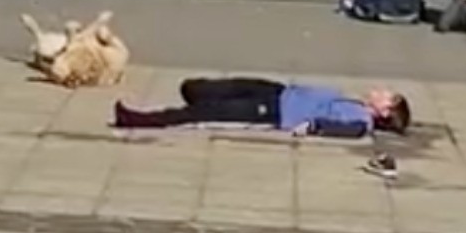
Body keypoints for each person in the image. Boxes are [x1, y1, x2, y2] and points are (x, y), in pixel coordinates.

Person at [113, 77, 411, 138]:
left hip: (273, 112)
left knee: (203, 114)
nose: (382, 91)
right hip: (278, 91)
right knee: (201, 88)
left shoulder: (361, 121)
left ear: (384, 112)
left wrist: (313, 127)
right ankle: (201, 95)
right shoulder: (357, 104)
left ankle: (138, 120)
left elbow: (344, 129)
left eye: (388, 96)